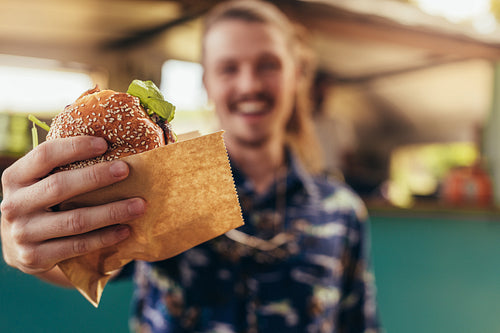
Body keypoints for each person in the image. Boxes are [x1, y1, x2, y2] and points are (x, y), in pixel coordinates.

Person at [1, 1, 381, 332]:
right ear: (207, 83)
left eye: (268, 65)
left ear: (296, 75)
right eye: (229, 68)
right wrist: (25, 247)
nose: (248, 84)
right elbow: (96, 258)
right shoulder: (164, 178)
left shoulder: (343, 211)